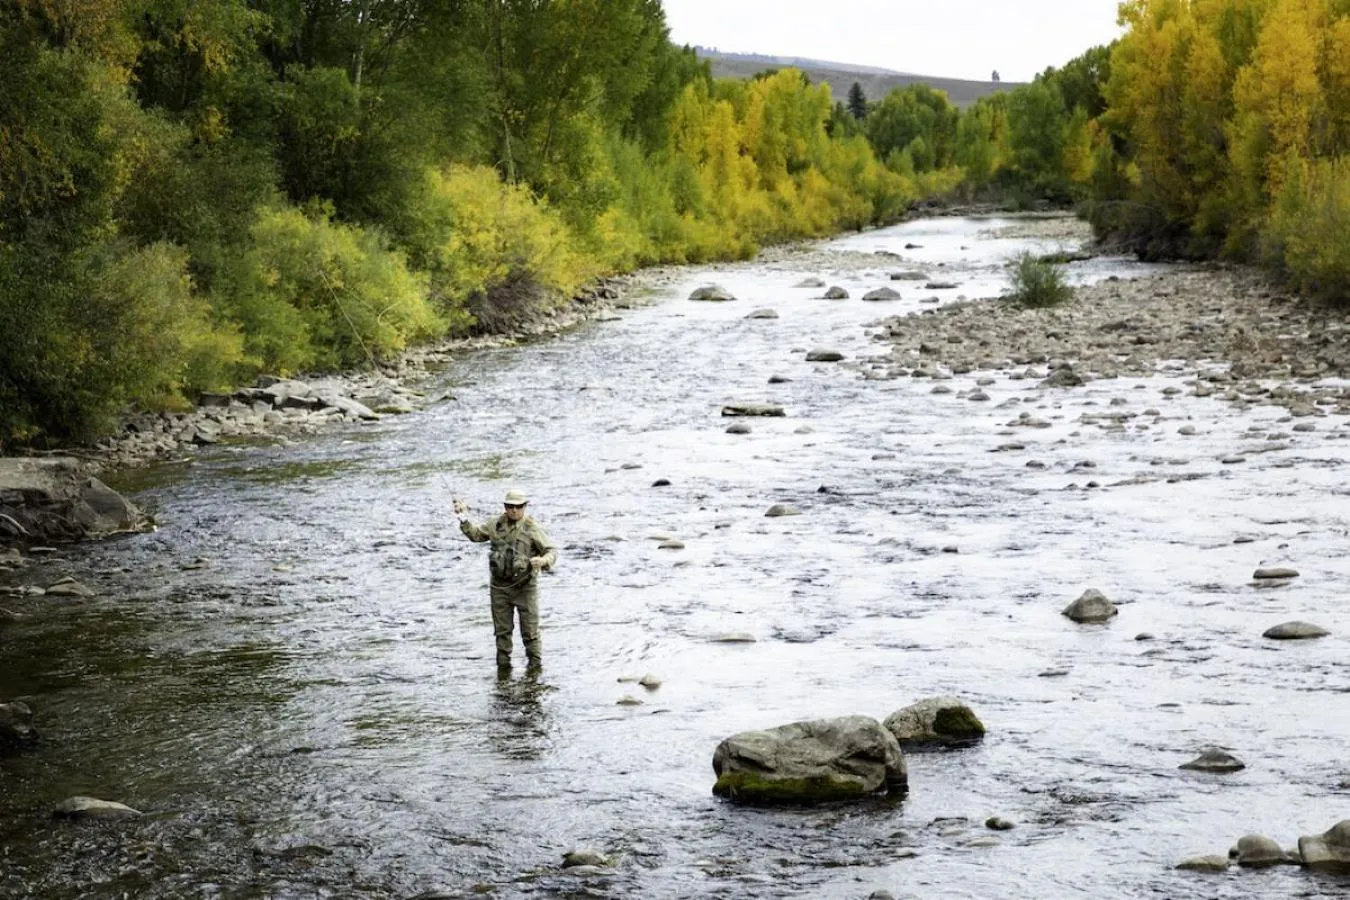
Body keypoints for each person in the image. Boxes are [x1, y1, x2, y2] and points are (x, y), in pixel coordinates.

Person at [453, 488, 557, 670]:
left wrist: (543, 561)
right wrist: (462, 517)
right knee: (502, 633)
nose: (514, 510)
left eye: (518, 506)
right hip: (499, 589)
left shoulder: (532, 528)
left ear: (524, 507)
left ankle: (535, 673)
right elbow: (476, 535)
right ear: (505, 507)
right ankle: (503, 672)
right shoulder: (495, 524)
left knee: (530, 633)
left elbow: (551, 551)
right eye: (510, 506)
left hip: (526, 588)